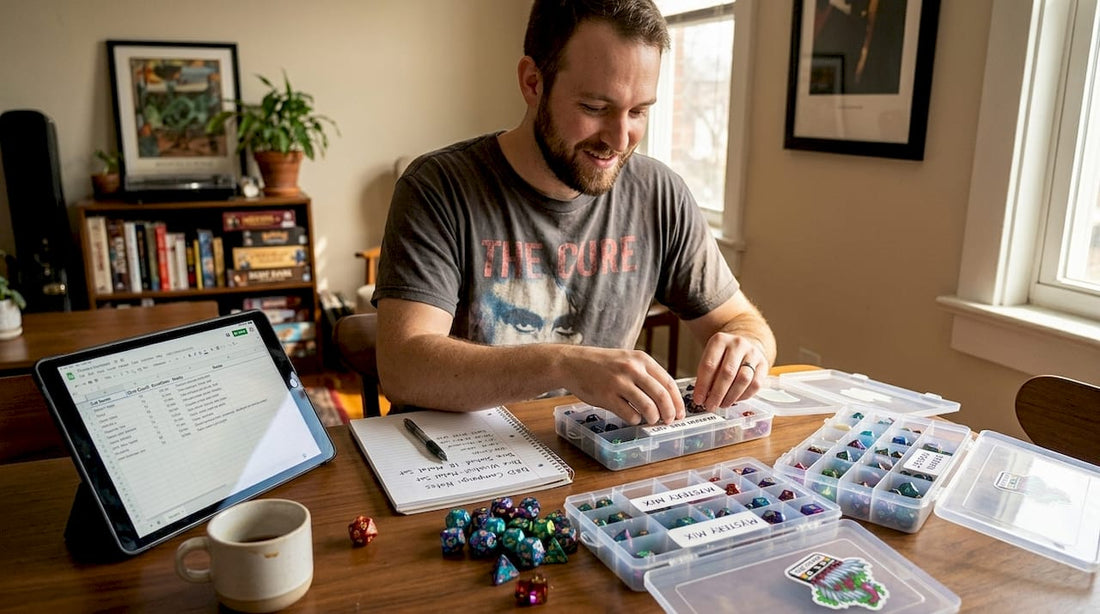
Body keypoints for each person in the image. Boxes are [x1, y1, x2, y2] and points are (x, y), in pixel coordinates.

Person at [372, 0, 776, 426]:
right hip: (451, 450)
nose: (620, 139)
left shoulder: (659, 193)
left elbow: (741, 321)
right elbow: (403, 367)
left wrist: (746, 348)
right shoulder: (438, 187)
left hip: (592, 448)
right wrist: (563, 364)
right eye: (595, 108)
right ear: (533, 83)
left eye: (639, 111)